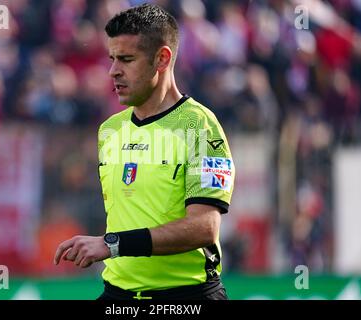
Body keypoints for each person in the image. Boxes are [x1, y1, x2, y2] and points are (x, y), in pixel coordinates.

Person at [54, 3, 235, 300]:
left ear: (162, 58)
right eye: (112, 59)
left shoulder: (199, 127)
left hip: (185, 297)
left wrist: (112, 244)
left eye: (126, 59)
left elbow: (205, 227)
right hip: (118, 296)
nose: (113, 71)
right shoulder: (110, 130)